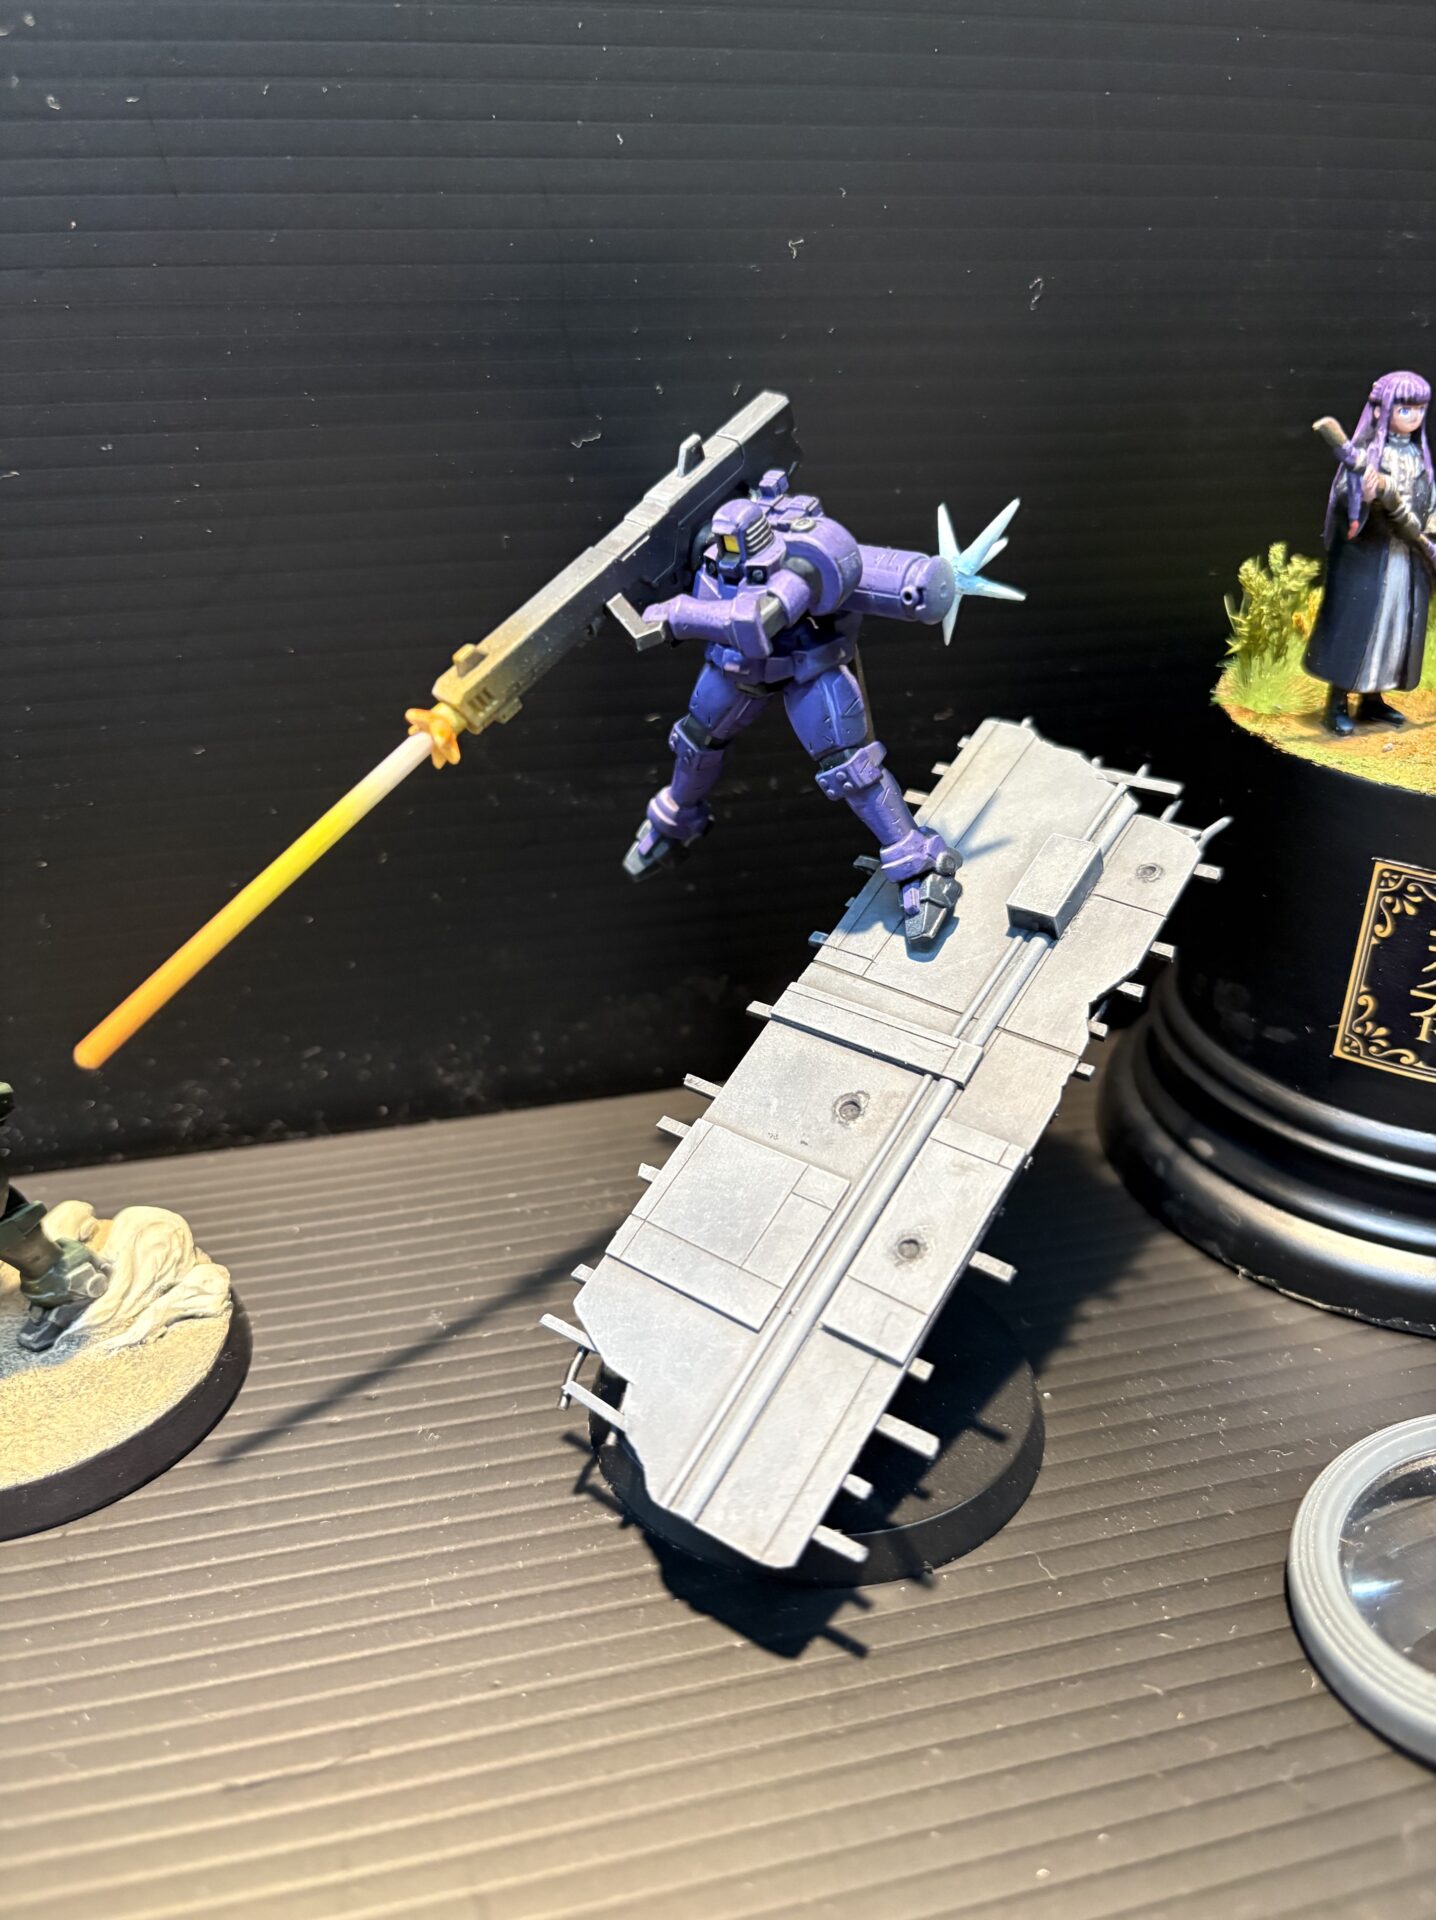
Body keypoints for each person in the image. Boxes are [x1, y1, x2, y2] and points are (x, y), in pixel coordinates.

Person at [1306, 370, 1435, 736]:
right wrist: (1361, 497)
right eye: (1405, 409)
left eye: (1420, 409)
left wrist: (1428, 527)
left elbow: (1429, 498)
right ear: (1380, 410)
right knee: (1357, 628)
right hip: (1369, 558)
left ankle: (1373, 700)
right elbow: (1343, 499)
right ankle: (1336, 702)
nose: (1414, 417)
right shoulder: (1368, 455)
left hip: (1405, 559)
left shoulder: (1418, 455)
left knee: (1393, 629)